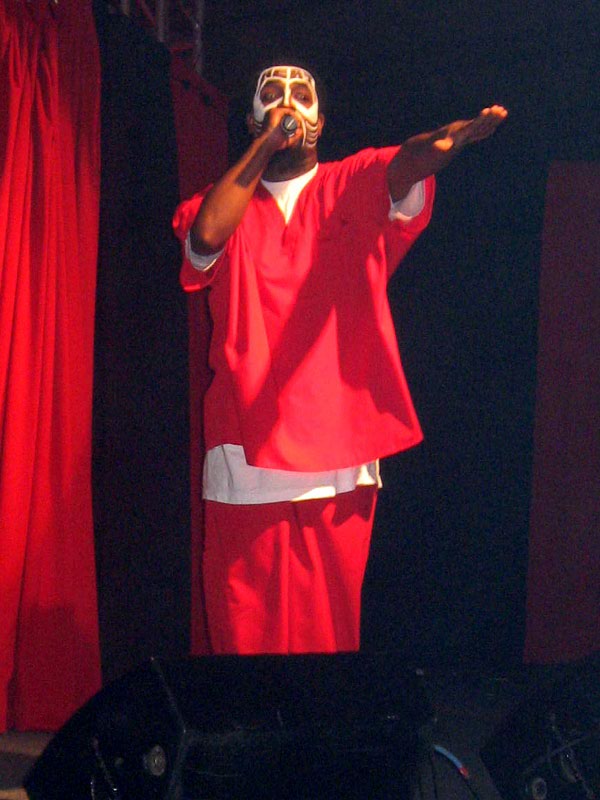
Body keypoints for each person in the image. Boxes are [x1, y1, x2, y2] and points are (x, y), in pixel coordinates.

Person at [173, 63, 507, 655]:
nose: (287, 104)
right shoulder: (222, 200)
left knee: (326, 651)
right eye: (272, 96)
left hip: (337, 456)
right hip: (243, 451)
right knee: (242, 651)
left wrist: (442, 143)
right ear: (252, 119)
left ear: (321, 122)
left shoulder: (350, 182)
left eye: (301, 96)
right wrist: (265, 146)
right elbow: (204, 240)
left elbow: (404, 162)